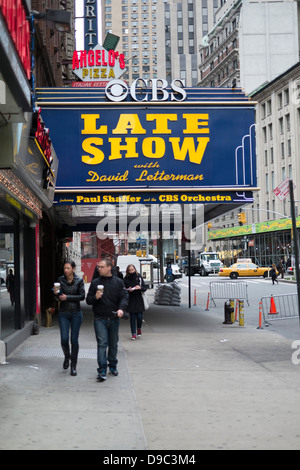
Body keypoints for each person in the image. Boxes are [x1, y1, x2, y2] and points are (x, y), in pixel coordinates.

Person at [86, 258, 128, 382]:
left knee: (113, 344)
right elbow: (88, 300)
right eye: (98, 267)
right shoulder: (95, 283)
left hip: (114, 317)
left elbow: (124, 297)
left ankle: (113, 366)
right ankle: (102, 369)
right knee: (102, 343)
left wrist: (121, 309)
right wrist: (95, 297)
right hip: (100, 318)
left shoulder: (119, 282)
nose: (99, 269)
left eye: (102, 266)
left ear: (109, 268)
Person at [54, 260, 85, 376]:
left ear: (73, 269)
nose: (66, 270)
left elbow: (82, 296)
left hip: (76, 313)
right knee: (64, 338)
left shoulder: (79, 280)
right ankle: (67, 356)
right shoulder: (60, 280)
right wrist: (56, 293)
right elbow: (58, 297)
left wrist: (67, 297)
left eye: (68, 268)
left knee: (74, 340)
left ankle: (73, 366)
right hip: (63, 313)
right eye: (65, 268)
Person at [123, 264, 147, 340]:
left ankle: (139, 328)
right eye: (129, 270)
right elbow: (123, 288)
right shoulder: (126, 278)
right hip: (131, 299)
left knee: (139, 317)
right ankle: (133, 333)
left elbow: (144, 287)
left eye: (132, 270)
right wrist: (128, 289)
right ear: (127, 271)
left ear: (135, 269)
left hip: (138, 298)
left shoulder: (138, 277)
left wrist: (139, 288)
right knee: (132, 317)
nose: (131, 271)